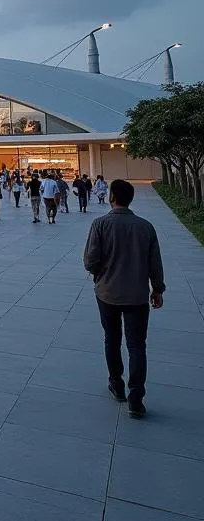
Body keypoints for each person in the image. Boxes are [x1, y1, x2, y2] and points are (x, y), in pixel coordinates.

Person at [83, 179, 165, 419]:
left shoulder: (100, 224)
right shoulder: (145, 227)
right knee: (137, 346)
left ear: (111, 197)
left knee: (112, 338)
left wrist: (100, 273)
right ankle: (136, 399)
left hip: (107, 293)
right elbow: (155, 263)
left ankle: (116, 384)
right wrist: (157, 289)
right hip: (137, 295)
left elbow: (90, 261)